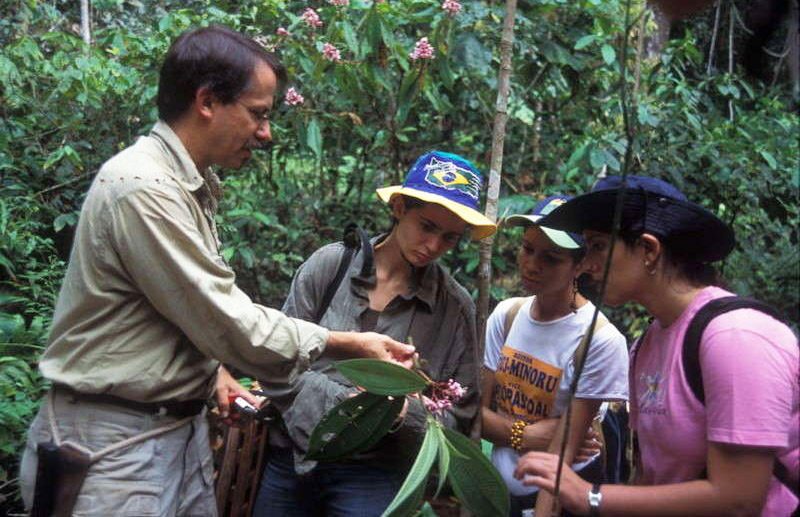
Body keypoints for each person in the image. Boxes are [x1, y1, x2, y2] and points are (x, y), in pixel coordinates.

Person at [19, 25, 414, 516]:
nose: (266, 133)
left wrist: (211, 376)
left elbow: (169, 315)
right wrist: (342, 342)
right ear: (207, 101)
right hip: (114, 448)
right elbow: (227, 320)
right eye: (258, 114)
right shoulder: (144, 188)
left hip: (168, 440)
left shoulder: (186, 185)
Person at [515, 175, 799, 516]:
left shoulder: (737, 336)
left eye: (598, 247)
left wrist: (592, 497)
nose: (587, 266)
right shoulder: (647, 345)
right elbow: (653, 476)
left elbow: (740, 497)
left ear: (648, 249)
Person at [253, 151, 497, 517]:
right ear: (399, 207)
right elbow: (279, 359)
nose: (433, 246)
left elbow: (458, 415)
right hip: (293, 458)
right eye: (427, 226)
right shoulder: (330, 267)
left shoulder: (454, 308)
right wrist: (356, 406)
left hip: (374, 475)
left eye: (449, 237)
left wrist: (402, 414)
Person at [481, 195, 629, 517]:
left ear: (580, 265)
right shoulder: (507, 316)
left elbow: (562, 454)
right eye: (528, 249)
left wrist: (502, 426)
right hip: (496, 489)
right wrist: (528, 434)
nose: (532, 265)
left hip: (560, 499)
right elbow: (473, 415)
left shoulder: (599, 340)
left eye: (551, 257)